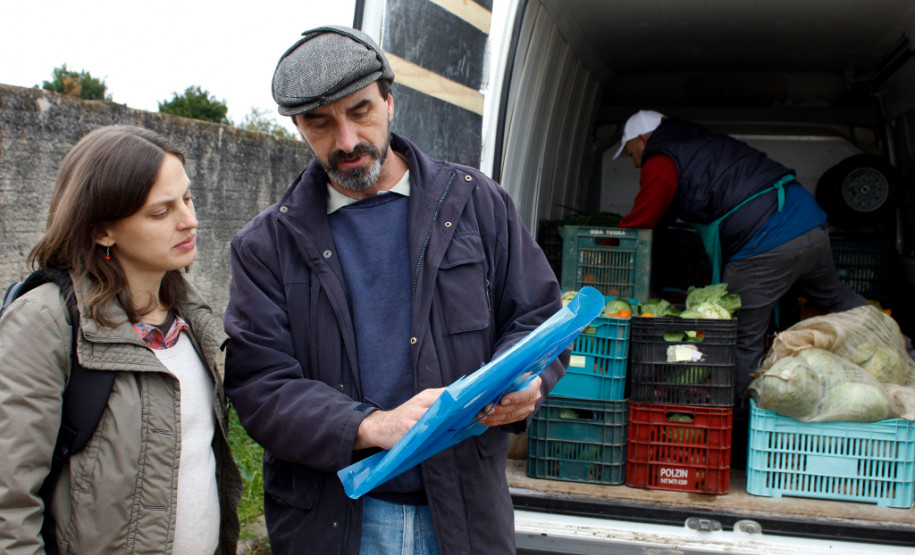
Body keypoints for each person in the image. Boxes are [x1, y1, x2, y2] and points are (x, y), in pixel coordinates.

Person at [223, 25, 567, 555]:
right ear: (299, 128)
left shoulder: (478, 204)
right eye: (320, 123)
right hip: (336, 523)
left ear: (389, 100)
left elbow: (538, 318)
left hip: (464, 518)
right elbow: (261, 388)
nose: (346, 141)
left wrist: (530, 378)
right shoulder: (265, 245)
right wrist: (372, 425)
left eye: (360, 111)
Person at [0, 125, 242, 554]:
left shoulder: (191, 315)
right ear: (101, 231)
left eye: (186, 198)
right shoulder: (44, 322)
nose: (190, 220)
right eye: (160, 211)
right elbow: (9, 506)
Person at [613, 110, 870, 464]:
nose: (634, 163)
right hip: (808, 223)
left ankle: (732, 431)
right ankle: (899, 346)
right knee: (835, 297)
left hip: (767, 243)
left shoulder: (661, 157)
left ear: (642, 139)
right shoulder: (697, 141)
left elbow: (648, 212)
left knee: (738, 340)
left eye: (631, 153)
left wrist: (618, 235)